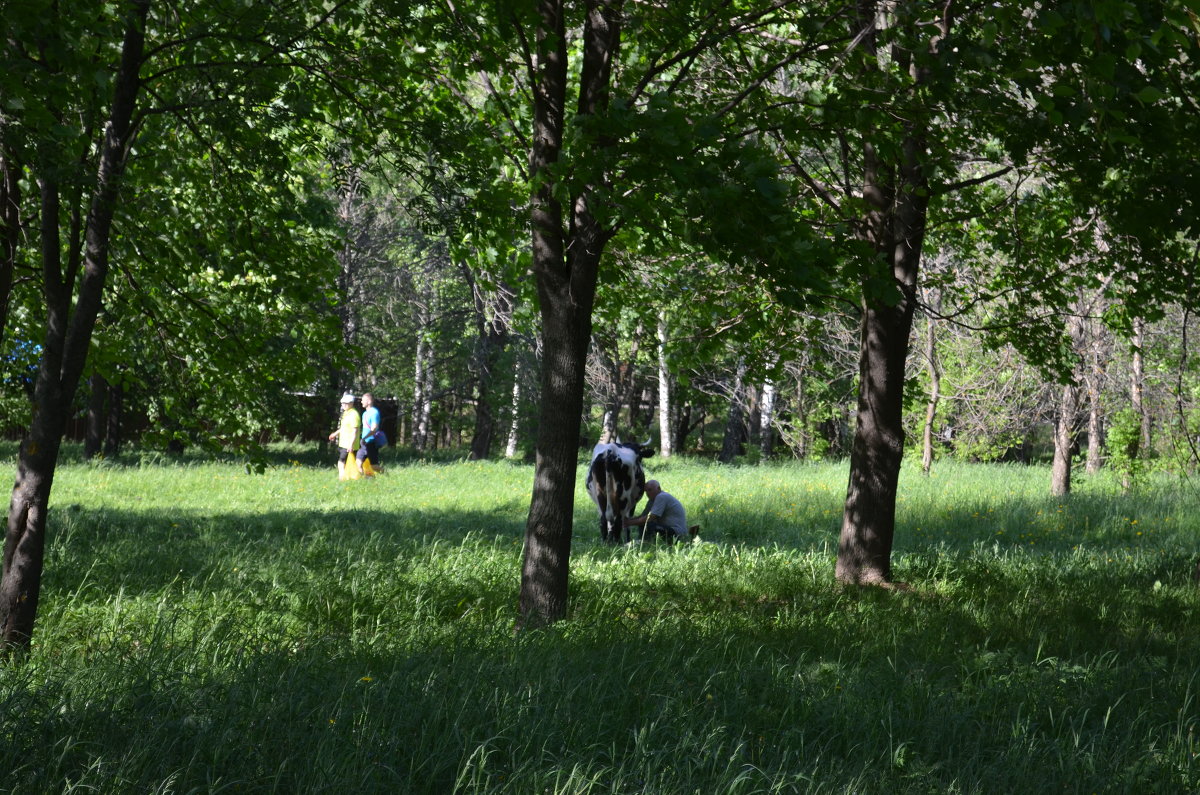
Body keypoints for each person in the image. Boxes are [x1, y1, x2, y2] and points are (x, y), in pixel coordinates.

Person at [624, 479, 689, 543]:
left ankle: (647, 542)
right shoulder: (652, 500)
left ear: (658, 488)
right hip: (668, 529)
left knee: (648, 523)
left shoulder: (661, 497)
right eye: (646, 491)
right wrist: (628, 520)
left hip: (676, 532)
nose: (648, 493)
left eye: (650, 490)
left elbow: (651, 517)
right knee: (643, 522)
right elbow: (643, 516)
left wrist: (629, 523)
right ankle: (645, 541)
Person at [327, 392, 361, 479]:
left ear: (351, 403)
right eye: (342, 403)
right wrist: (335, 434)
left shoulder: (354, 414)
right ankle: (357, 477)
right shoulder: (346, 413)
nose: (343, 405)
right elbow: (344, 428)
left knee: (341, 462)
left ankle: (342, 479)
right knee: (347, 463)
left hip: (349, 444)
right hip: (343, 443)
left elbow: (355, 431)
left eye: (346, 403)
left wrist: (351, 444)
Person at [356, 392, 386, 476]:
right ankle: (363, 480)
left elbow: (374, 429)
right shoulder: (364, 413)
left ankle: (387, 475)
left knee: (374, 466)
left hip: (371, 443)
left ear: (369, 401)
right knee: (358, 462)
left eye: (363, 400)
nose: (361, 402)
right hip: (364, 443)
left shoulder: (374, 412)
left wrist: (365, 437)